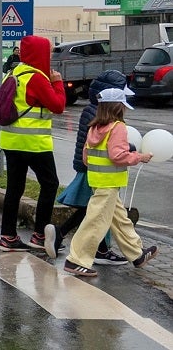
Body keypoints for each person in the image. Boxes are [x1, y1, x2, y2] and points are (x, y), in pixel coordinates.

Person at [64, 88, 157, 276]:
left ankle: (137, 254)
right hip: (109, 184)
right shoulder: (118, 127)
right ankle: (75, 260)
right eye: (123, 105)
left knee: (120, 219)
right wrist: (140, 157)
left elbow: (86, 158)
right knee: (95, 222)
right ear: (118, 107)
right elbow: (117, 156)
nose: (125, 109)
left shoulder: (94, 127)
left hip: (97, 182)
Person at [44, 70, 131, 264]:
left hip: (91, 166)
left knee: (94, 208)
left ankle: (96, 247)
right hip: (95, 168)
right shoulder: (99, 113)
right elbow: (103, 144)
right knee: (97, 210)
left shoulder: (94, 110)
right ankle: (64, 235)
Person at [0, 35, 66, 252]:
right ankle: (39, 235)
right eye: (48, 52)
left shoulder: (14, 73)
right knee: (50, 184)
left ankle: (7, 236)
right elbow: (58, 106)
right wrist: (57, 83)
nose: (50, 56)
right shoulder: (37, 78)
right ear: (40, 54)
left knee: (14, 188)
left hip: (10, 141)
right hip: (33, 143)